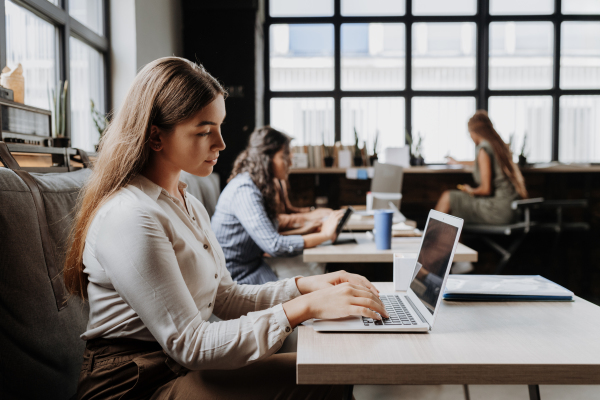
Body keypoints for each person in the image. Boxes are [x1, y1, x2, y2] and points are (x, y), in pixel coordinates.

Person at [63, 57, 388, 399]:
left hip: (176, 367)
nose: (221, 143)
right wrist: (305, 307)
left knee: (330, 371)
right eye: (204, 131)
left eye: (220, 127)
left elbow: (226, 297)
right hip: (135, 385)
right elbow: (190, 344)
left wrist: (306, 286)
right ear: (156, 137)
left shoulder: (186, 202)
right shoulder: (130, 216)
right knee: (322, 378)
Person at [212, 126, 344, 285]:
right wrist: (324, 235)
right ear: (266, 158)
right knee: (316, 272)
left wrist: (308, 230)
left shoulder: (259, 185)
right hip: (237, 274)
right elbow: (274, 245)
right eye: (284, 156)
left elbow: (270, 234)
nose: (290, 161)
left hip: (253, 264)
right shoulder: (245, 190)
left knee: (318, 267)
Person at [435, 110, 528, 225]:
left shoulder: (483, 149)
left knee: (448, 197)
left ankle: (430, 240)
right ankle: (449, 243)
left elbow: (486, 189)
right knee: (456, 210)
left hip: (497, 210)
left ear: (474, 132)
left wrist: (470, 190)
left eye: (469, 132)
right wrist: (457, 161)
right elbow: (479, 163)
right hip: (511, 209)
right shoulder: (496, 146)